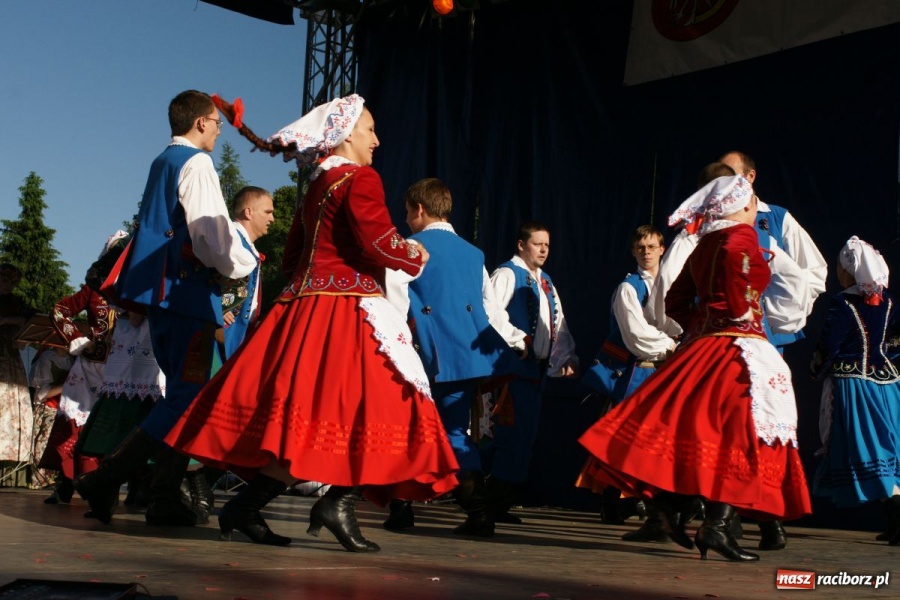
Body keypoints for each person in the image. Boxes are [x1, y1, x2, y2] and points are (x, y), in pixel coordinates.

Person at [162, 93, 459, 553]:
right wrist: (413, 252)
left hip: (305, 307)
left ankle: (253, 506)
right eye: (369, 130)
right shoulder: (361, 179)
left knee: (311, 421)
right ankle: (336, 501)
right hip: (349, 308)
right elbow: (380, 244)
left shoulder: (319, 185)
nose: (377, 140)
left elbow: (292, 253)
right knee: (395, 402)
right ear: (345, 135)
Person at [576, 175, 812, 562]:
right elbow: (740, 287)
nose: (756, 210)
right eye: (752, 203)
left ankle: (693, 516)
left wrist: (701, 325)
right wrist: (736, 316)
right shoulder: (741, 238)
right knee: (748, 433)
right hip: (740, 349)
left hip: (706, 347)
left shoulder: (702, 245)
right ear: (741, 206)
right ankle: (713, 525)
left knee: (711, 433)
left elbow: (675, 300)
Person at [74, 90, 258, 527]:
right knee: (187, 396)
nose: (218, 128)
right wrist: (242, 262)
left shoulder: (162, 161)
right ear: (199, 123)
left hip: (163, 298)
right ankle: (110, 479)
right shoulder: (195, 163)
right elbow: (210, 234)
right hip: (187, 295)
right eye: (215, 121)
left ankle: (161, 496)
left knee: (183, 396)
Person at [381, 178, 528, 537]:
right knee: (455, 431)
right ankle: (475, 511)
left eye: (407, 213)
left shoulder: (408, 247)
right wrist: (514, 340)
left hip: (421, 353)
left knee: (405, 429)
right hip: (464, 357)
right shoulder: (473, 253)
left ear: (419, 209)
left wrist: (388, 347)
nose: (406, 220)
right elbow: (490, 311)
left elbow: (393, 305)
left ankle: (420, 510)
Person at [585, 225, 677, 532]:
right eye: (641, 248)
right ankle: (615, 501)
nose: (646, 252)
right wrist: (671, 346)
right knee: (625, 441)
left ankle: (637, 501)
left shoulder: (672, 284)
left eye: (652, 247)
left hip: (663, 372)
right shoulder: (629, 288)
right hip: (636, 374)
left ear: (662, 249)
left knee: (652, 443)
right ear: (633, 251)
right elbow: (636, 335)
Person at [486, 221, 579, 523]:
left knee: (525, 436)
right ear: (521, 245)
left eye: (547, 245)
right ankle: (489, 501)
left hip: (534, 371)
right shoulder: (507, 274)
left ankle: (501, 502)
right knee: (510, 434)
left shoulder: (545, 281)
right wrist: (517, 338)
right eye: (537, 243)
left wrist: (565, 357)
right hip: (511, 369)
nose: (543, 249)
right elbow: (490, 313)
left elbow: (558, 323)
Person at [810, 236, 900, 546]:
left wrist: (816, 367)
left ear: (848, 269)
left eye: (839, 265)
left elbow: (830, 344)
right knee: (885, 448)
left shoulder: (843, 303)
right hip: (888, 386)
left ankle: (898, 515)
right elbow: (895, 342)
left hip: (855, 387)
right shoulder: (887, 302)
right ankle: (894, 520)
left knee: (867, 449)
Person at [40, 274, 117, 504]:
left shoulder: (140, 287)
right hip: (89, 369)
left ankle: (112, 490)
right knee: (72, 429)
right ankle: (65, 482)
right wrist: (78, 339)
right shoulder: (94, 289)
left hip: (123, 370)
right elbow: (60, 309)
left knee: (115, 429)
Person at [221, 185, 274, 359]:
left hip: (237, 333)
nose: (272, 219)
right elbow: (201, 270)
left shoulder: (244, 244)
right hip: (220, 334)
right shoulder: (229, 238)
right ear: (248, 212)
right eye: (267, 212)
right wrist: (217, 307)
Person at [0, 263, 34, 487]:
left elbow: (24, 334)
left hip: (9, 358)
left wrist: (19, 325)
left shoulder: (18, 304)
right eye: (4, 279)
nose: (8, 285)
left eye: (11, 282)